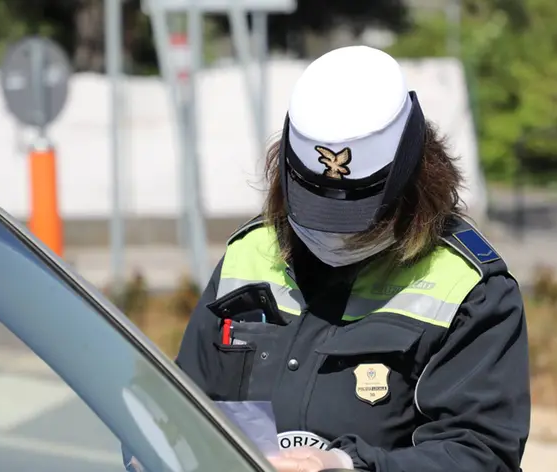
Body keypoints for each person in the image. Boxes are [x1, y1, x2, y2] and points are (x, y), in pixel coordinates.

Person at [175, 45, 530, 472]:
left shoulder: (470, 289)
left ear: (414, 178)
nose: (335, 234)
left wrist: (347, 466)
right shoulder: (247, 256)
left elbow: (481, 454)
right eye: (318, 206)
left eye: (358, 214)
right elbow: (175, 413)